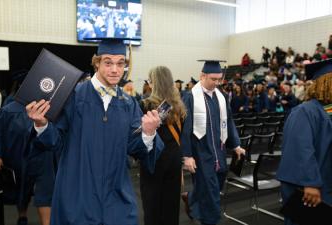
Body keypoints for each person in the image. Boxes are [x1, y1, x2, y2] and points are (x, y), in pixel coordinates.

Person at [26, 37, 164, 225]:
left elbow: (135, 148)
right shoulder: (73, 96)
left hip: (116, 196)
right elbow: (54, 141)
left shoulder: (128, 103)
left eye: (120, 63)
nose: (115, 69)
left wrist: (148, 133)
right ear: (97, 63)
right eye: (108, 63)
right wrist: (41, 124)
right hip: (78, 193)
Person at [0, 73, 56, 225]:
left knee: (46, 189)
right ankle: (22, 215)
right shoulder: (9, 109)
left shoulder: (45, 106)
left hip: (43, 156)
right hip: (17, 156)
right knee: (21, 190)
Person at [181, 60, 245, 225]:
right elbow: (185, 128)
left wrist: (236, 144)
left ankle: (191, 198)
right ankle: (210, 220)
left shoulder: (221, 96)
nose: (217, 83)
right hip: (201, 152)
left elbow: (229, 121)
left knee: (214, 185)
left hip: (219, 150)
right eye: (213, 79)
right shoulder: (190, 97)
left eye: (219, 79)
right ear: (202, 76)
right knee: (211, 192)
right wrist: (187, 155)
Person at [276, 59, 332, 225]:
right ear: (325, 82)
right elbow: (299, 149)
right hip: (314, 188)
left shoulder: (328, 111)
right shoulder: (305, 111)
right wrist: (309, 182)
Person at [139, 66, 186, 225]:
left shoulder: (145, 105)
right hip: (174, 157)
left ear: (153, 83)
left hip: (154, 157)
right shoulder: (179, 104)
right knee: (171, 204)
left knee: (152, 203)